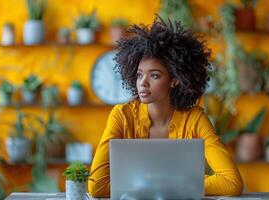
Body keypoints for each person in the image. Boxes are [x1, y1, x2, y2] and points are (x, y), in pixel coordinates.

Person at [88, 17, 243, 197]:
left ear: (174, 80)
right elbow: (96, 186)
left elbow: (231, 182)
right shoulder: (122, 116)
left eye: (154, 76)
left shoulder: (195, 119)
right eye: (139, 75)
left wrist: (152, 185)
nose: (143, 83)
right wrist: (179, 185)